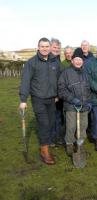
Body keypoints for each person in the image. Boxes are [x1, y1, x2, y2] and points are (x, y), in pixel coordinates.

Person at [19, 37, 60, 165]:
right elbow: (25, 81)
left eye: (47, 46)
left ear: (50, 47)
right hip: (38, 98)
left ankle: (45, 145)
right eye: (42, 46)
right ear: (38, 47)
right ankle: (44, 151)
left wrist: (58, 94)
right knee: (44, 124)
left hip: (51, 99)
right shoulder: (32, 62)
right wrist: (23, 99)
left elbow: (59, 79)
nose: (44, 48)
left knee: (51, 122)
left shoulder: (55, 61)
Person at [58, 48, 92, 156]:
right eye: (76, 59)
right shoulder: (66, 73)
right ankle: (69, 144)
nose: (78, 61)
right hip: (71, 105)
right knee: (71, 126)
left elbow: (88, 89)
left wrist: (89, 101)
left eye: (80, 59)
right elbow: (61, 90)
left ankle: (80, 145)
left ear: (82, 61)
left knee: (83, 126)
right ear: (72, 61)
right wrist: (72, 99)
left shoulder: (85, 73)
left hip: (84, 105)